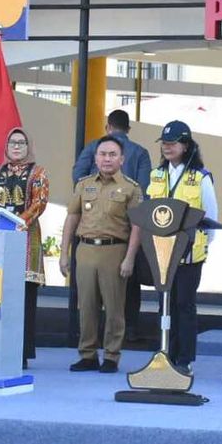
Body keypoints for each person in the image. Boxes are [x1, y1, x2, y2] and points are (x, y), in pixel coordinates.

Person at [60, 135, 142, 373]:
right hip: (85, 250)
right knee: (85, 306)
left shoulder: (130, 188)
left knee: (115, 307)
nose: (107, 159)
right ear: (95, 158)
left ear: (122, 159)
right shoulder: (84, 185)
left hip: (114, 251)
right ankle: (87, 354)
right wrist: (64, 253)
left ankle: (111, 355)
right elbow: (72, 218)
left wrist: (130, 258)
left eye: (112, 154)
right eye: (103, 154)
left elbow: (137, 226)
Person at [72, 109, 153, 343]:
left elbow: (77, 175)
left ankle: (92, 340)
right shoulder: (141, 152)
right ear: (128, 129)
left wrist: (94, 197)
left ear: (108, 126)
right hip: (127, 230)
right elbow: (145, 189)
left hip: (93, 228)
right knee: (129, 281)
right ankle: (130, 330)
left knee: (89, 294)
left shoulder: (94, 147)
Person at [146, 120, 217, 374]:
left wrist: (202, 245)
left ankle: (184, 358)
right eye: (164, 143)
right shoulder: (156, 174)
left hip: (189, 253)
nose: (167, 147)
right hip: (162, 251)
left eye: (172, 143)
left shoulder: (200, 177)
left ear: (186, 145)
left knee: (184, 304)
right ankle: (165, 351)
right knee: (164, 303)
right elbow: (148, 211)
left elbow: (211, 217)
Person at [0, 128, 49, 370]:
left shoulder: (38, 173)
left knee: (24, 298)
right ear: (6, 145)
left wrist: (18, 223)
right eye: (13, 142)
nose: (17, 147)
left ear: (28, 146)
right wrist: (0, 221)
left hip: (27, 237)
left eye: (21, 142)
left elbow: (39, 202)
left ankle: (21, 352)